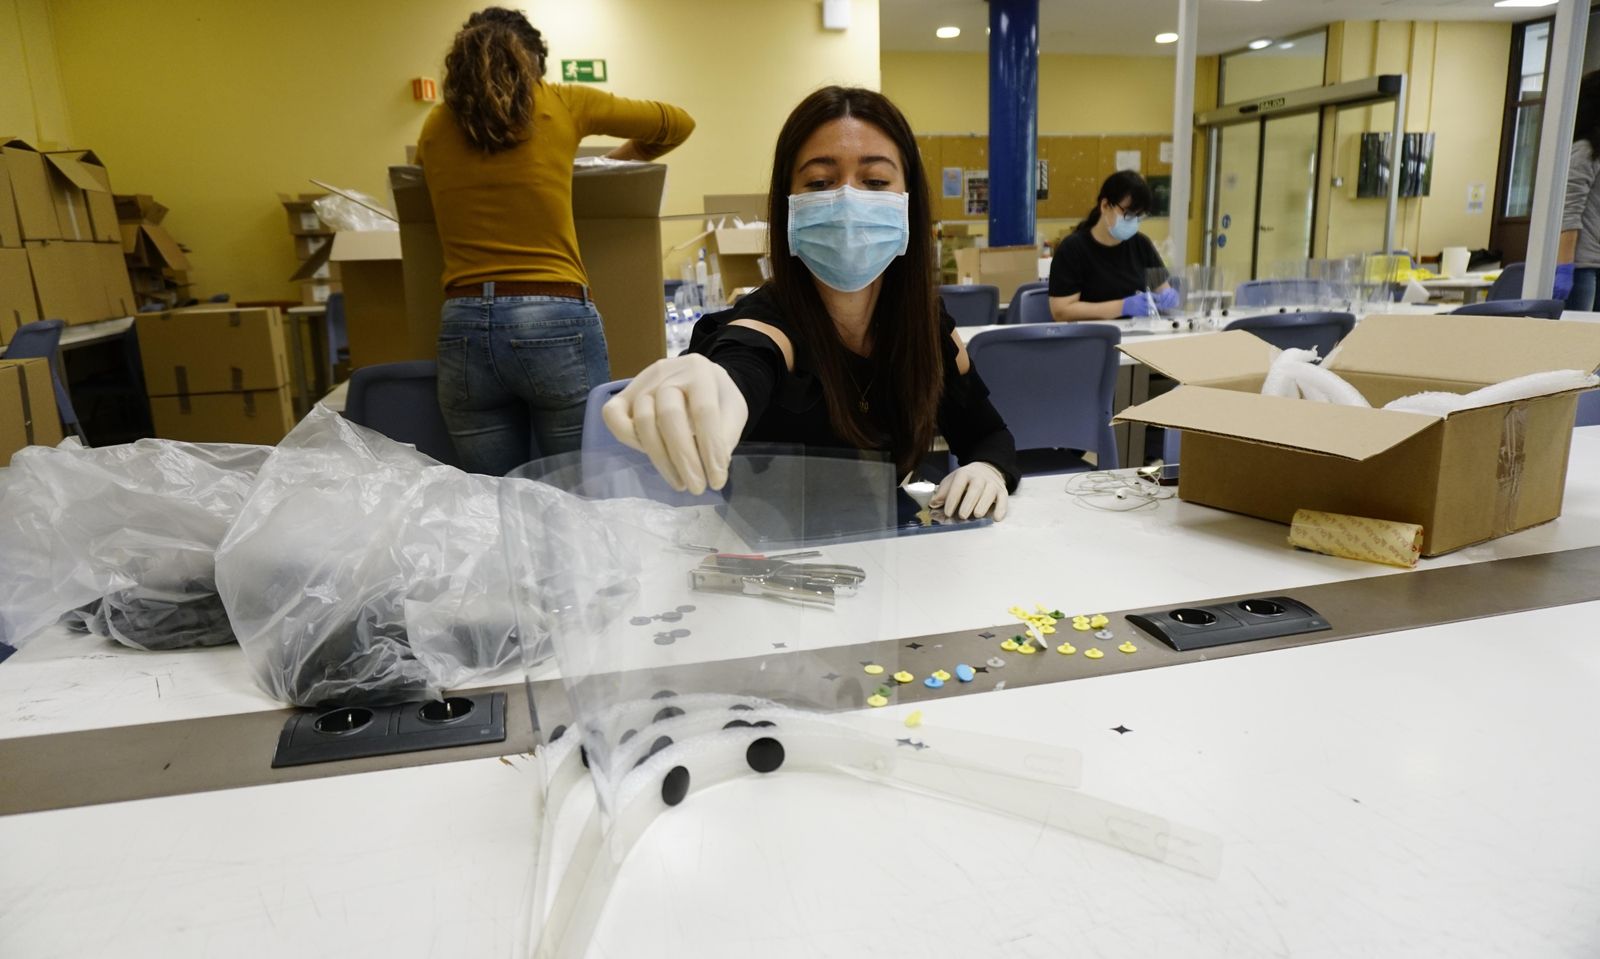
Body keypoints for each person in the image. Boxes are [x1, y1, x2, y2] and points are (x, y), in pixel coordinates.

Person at [602, 86, 1018, 521]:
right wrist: (712, 380)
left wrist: (987, 468)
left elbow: (987, 432)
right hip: (773, 559)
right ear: (789, 203)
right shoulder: (769, 327)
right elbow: (745, 360)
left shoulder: (926, 328)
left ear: (908, 199)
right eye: (820, 183)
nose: (847, 201)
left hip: (894, 553)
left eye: (875, 182)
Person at [416, 7, 694, 474]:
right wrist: (613, 163)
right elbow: (676, 123)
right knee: (583, 491)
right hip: (553, 320)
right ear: (534, 64)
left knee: (491, 500)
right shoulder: (560, 101)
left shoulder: (434, 126)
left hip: (462, 325)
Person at [1047, 170, 1177, 322]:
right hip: (1092, 337)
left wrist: (1168, 297)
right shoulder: (1072, 249)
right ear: (1105, 205)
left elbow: (1162, 289)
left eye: (1139, 216)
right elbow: (1061, 311)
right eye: (1128, 214)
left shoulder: (1141, 245)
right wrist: (1122, 307)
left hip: (1137, 335)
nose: (1134, 221)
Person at [1559, 71, 1600, 310]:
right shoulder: (1585, 151)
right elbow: (1570, 210)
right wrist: (1565, 267)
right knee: (1576, 341)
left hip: (1591, 265)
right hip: (1580, 267)